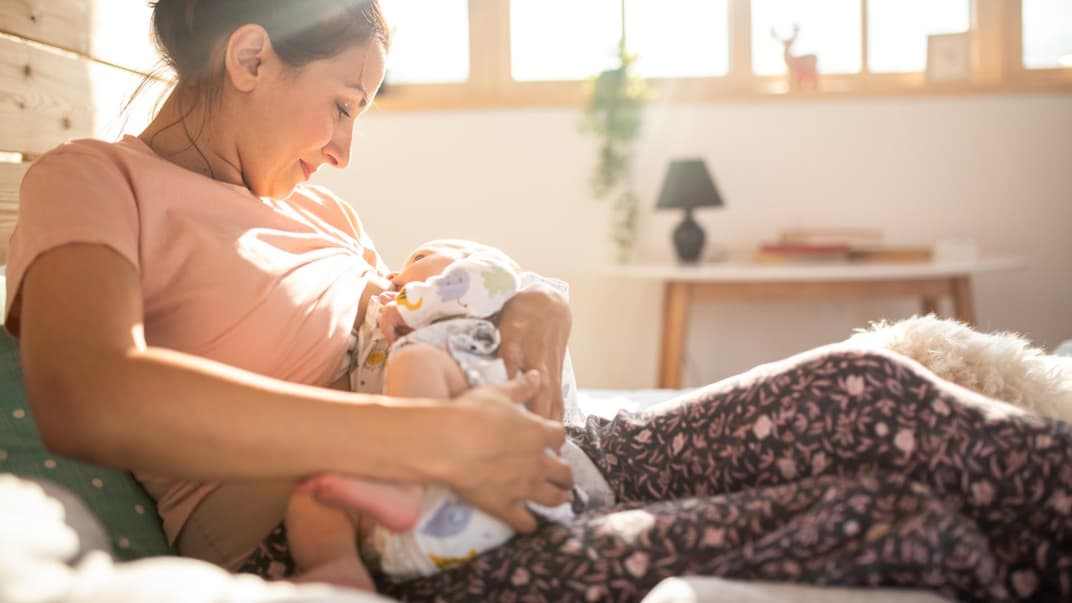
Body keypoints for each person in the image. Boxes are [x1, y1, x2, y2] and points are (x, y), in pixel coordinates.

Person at [6, 1, 1070, 601]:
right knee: (893, 529)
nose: (343, 149)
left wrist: (529, 294)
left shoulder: (316, 208)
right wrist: (425, 443)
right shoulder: (93, 180)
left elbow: (410, 312)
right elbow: (90, 395)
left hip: (524, 446)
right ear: (248, 57)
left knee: (863, 391)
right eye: (340, 104)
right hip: (384, 531)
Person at [287, 239, 579, 588]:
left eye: (420, 257)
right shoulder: (383, 332)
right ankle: (341, 571)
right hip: (428, 533)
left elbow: (494, 276)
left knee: (415, 361)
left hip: (496, 474)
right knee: (315, 495)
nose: (393, 274)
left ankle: (407, 485)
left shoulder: (484, 304)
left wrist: (412, 305)